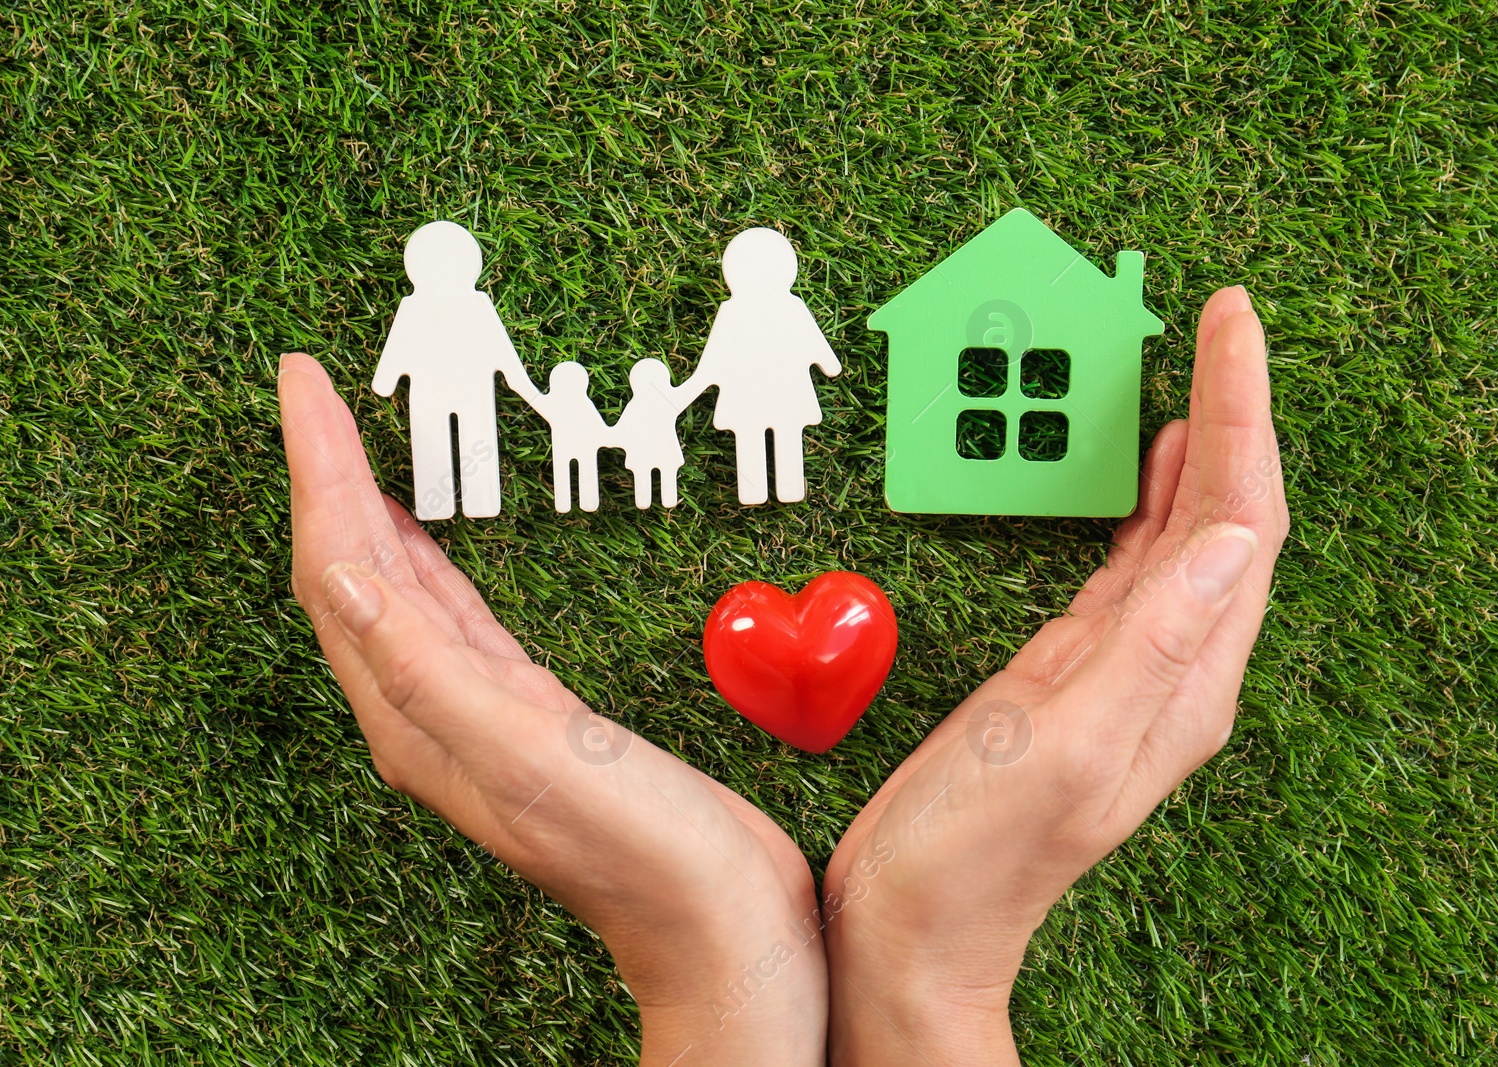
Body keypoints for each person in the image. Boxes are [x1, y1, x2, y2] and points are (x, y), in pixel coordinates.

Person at [279, 284, 1288, 1067]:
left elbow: (777, 347)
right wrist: (923, 968)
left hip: (767, 402)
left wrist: (712, 965)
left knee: (765, 450)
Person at [371, 221, 543, 520]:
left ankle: (468, 501)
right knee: (445, 442)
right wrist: (520, 382)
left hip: (449, 391)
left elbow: (497, 346)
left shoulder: (458, 306)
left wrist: (386, 381)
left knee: (460, 440)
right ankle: (460, 501)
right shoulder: (427, 307)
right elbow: (500, 352)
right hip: (456, 391)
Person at [684, 227, 842, 505]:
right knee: (764, 434)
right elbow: (715, 357)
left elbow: (713, 361)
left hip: (755, 395)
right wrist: (828, 365)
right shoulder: (777, 308)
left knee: (770, 434)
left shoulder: (774, 308)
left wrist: (697, 383)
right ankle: (760, 489)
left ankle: (768, 489)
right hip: (775, 392)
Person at [613, 358, 705, 509]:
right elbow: (692, 389)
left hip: (646, 451)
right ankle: (655, 499)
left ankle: (651, 500)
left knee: (655, 471)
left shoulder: (638, 405)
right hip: (658, 450)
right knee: (658, 471)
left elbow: (621, 430)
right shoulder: (665, 400)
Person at [529, 360, 612, 514]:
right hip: (575, 446)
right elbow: (597, 425)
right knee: (578, 469)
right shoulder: (580, 403)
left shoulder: (564, 403)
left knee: (573, 470)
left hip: (572, 446)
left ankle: (574, 502)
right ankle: (576, 501)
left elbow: (535, 400)